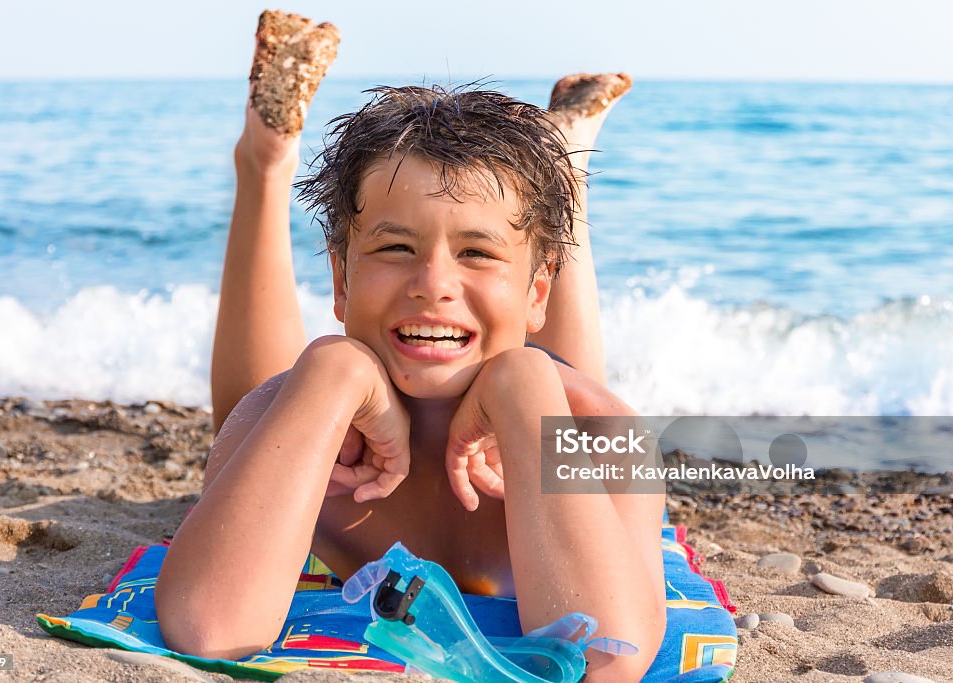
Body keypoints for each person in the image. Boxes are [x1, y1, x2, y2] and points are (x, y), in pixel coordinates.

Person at [154, 12, 665, 682]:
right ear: (339, 279)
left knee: (553, 370)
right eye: (395, 248)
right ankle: (264, 163)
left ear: (544, 293)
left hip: (545, 381)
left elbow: (605, 662)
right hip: (364, 379)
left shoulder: (610, 437)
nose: (433, 285)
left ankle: (563, 171)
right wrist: (333, 372)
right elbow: (209, 628)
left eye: (474, 253)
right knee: (258, 414)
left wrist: (522, 387)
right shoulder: (279, 412)